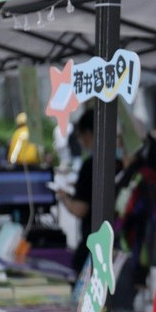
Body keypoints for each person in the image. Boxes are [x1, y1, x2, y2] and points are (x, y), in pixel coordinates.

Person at [112, 133, 156, 311]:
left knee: (121, 307)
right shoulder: (130, 173)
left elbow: (137, 216)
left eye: (121, 143)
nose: (118, 147)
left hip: (131, 252)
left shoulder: (143, 177)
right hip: (126, 251)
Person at [56, 109, 96, 276]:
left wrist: (64, 197)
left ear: (87, 134)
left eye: (79, 135)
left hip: (92, 245)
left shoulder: (90, 166)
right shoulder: (116, 163)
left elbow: (81, 209)